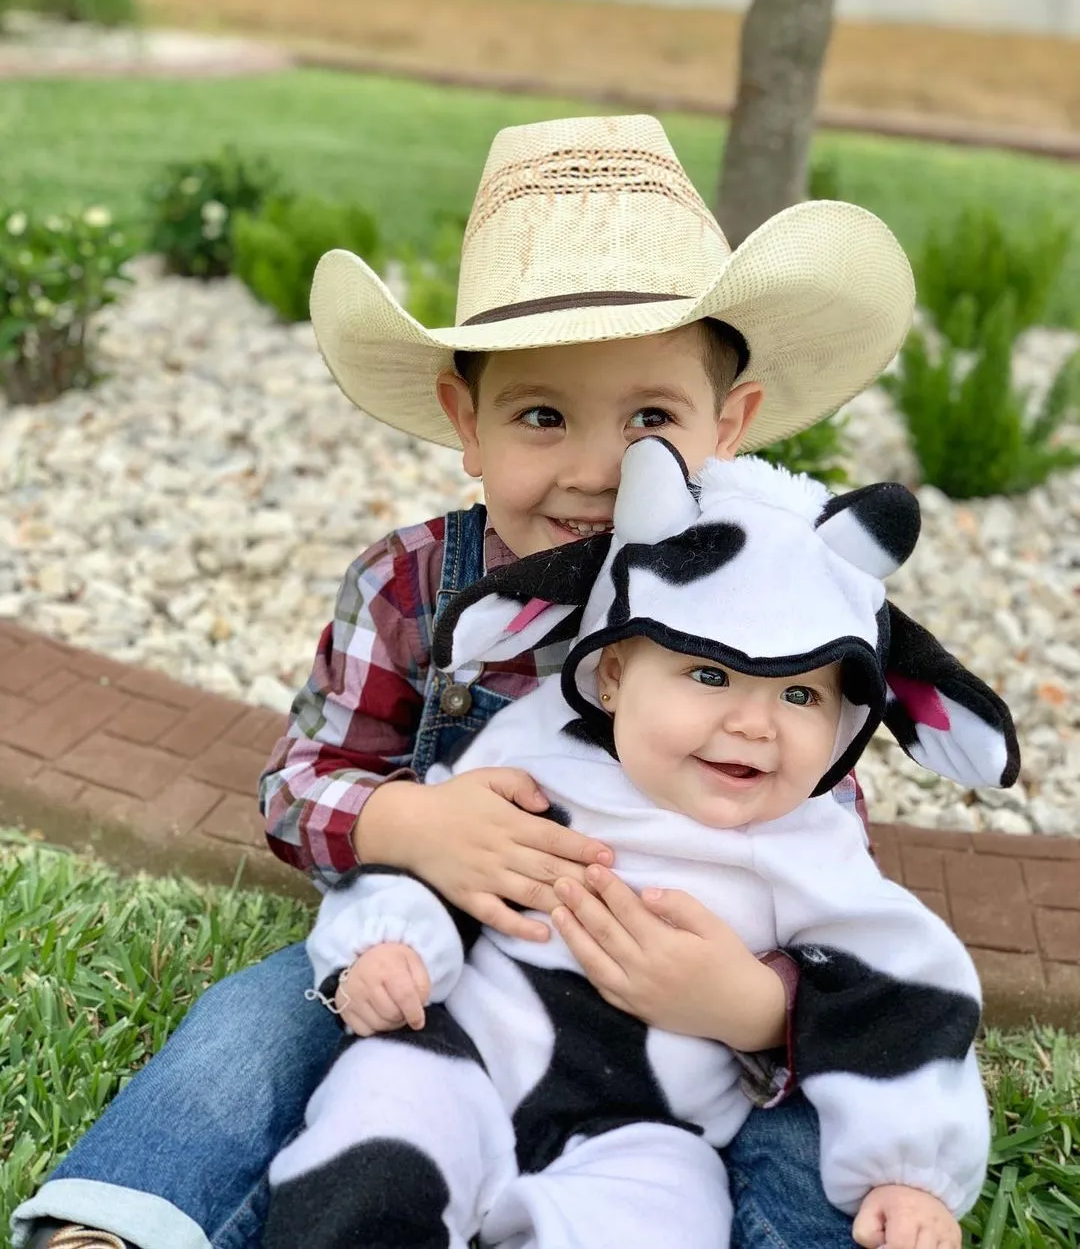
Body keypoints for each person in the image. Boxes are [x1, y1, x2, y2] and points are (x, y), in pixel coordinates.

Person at [15, 113, 921, 1249]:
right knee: (254, 1027)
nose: (598, 471)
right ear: (468, 424)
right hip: (431, 963)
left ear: (730, 427)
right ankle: (130, 1220)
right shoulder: (409, 585)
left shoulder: (785, 606)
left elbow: (837, 875)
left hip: (677, 1023)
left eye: (653, 419)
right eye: (542, 416)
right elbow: (302, 786)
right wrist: (413, 822)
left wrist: (749, 1004)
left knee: (816, 1123)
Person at [263, 440, 1019, 1249]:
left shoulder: (813, 843)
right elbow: (437, 862)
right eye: (710, 676)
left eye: (800, 693)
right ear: (615, 673)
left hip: (647, 1130)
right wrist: (386, 945)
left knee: (668, 1217)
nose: (755, 724)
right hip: (460, 1054)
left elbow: (902, 1000)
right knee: (374, 1130)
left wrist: (909, 1172)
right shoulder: (540, 752)